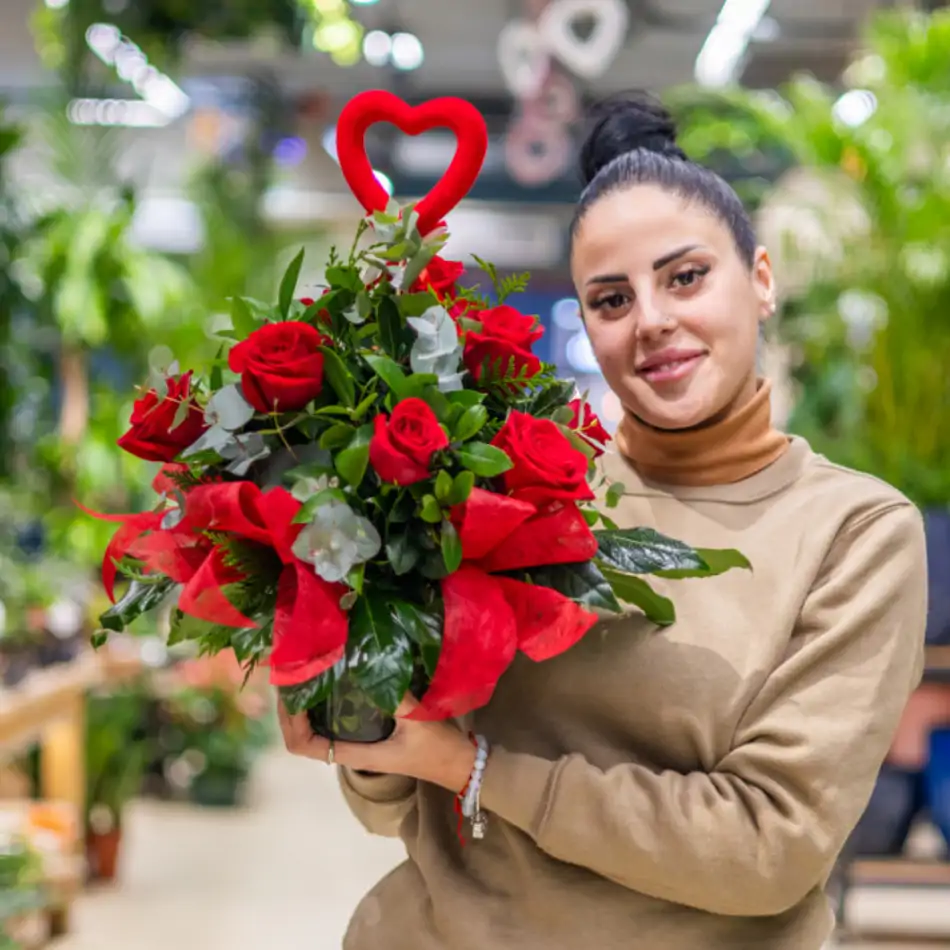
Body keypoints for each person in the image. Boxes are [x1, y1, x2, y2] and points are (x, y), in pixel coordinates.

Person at [279, 93, 929, 949]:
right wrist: (355, 711)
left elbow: (771, 847)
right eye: (611, 299)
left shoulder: (855, 533)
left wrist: (472, 769)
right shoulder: (515, 486)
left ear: (762, 278)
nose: (652, 320)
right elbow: (398, 799)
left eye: (685, 276)